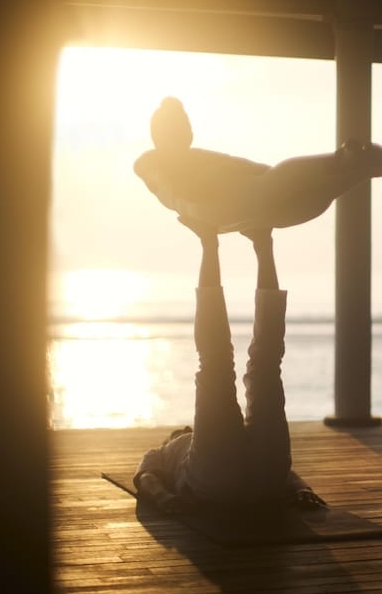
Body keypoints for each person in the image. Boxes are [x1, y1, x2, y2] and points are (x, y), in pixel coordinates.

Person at [133, 215, 326, 514]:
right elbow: (146, 478)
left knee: (254, 364)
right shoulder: (167, 450)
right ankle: (241, 243)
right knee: (244, 364)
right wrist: (303, 489)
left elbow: (147, 479)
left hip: (249, 482)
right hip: (244, 481)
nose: (181, 430)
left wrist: (165, 498)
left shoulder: (169, 451)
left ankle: (248, 243)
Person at [133, 96, 382, 233]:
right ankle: (353, 164)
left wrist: (252, 172)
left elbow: (241, 165)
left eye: (184, 130)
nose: (182, 136)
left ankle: (354, 164)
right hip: (223, 206)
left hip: (239, 196)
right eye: (173, 131)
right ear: (158, 137)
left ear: (190, 134)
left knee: (297, 194)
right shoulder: (150, 163)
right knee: (290, 195)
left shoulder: (198, 156)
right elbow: (155, 175)